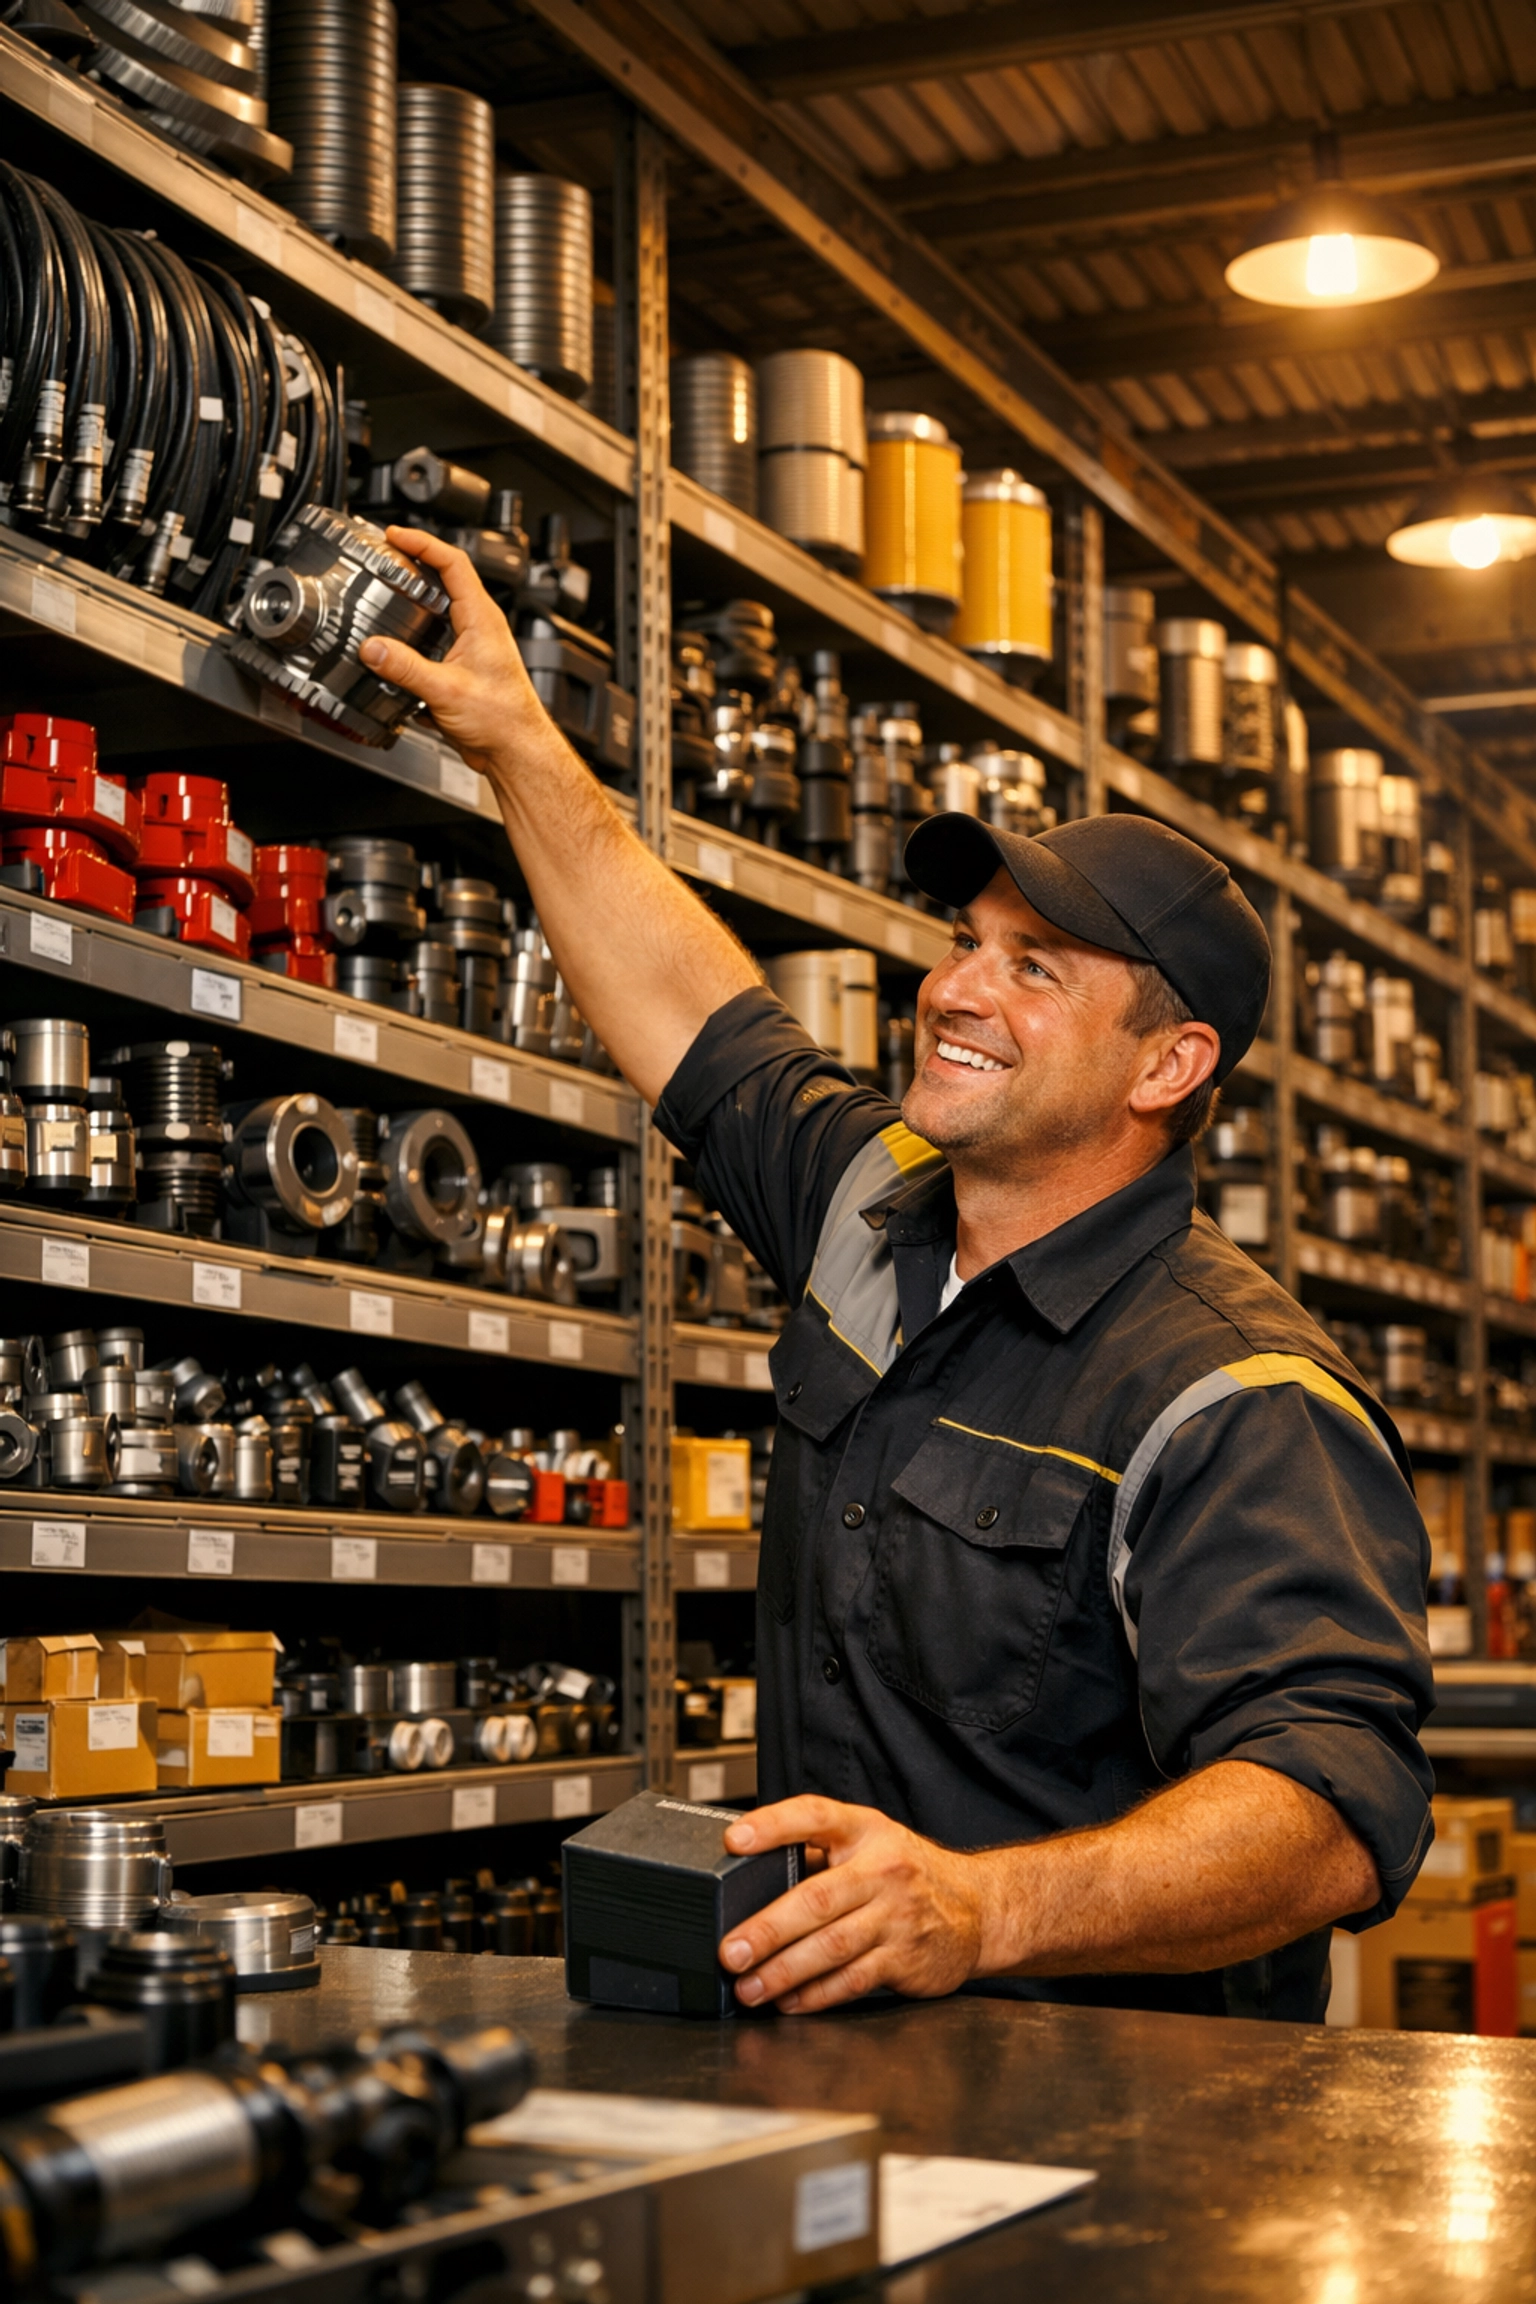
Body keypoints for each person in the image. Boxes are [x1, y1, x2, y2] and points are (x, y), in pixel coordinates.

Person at [359, 530, 1434, 2025]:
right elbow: (694, 1008)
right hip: (852, 2073)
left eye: (1037, 965)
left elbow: (1328, 1805)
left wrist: (986, 1908)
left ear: (1170, 1065)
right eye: (962, 941)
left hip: (1133, 2134)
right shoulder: (873, 1208)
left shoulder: (1234, 1395)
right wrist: (515, 736)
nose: (955, 989)